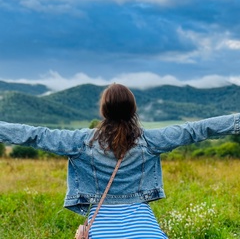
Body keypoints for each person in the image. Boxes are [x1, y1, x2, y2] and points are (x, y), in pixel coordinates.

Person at [0, 83, 239, 239]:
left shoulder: (80, 141)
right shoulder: (151, 140)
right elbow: (195, 130)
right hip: (147, 231)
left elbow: (35, 135)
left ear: (104, 111)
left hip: (101, 230)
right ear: (133, 110)